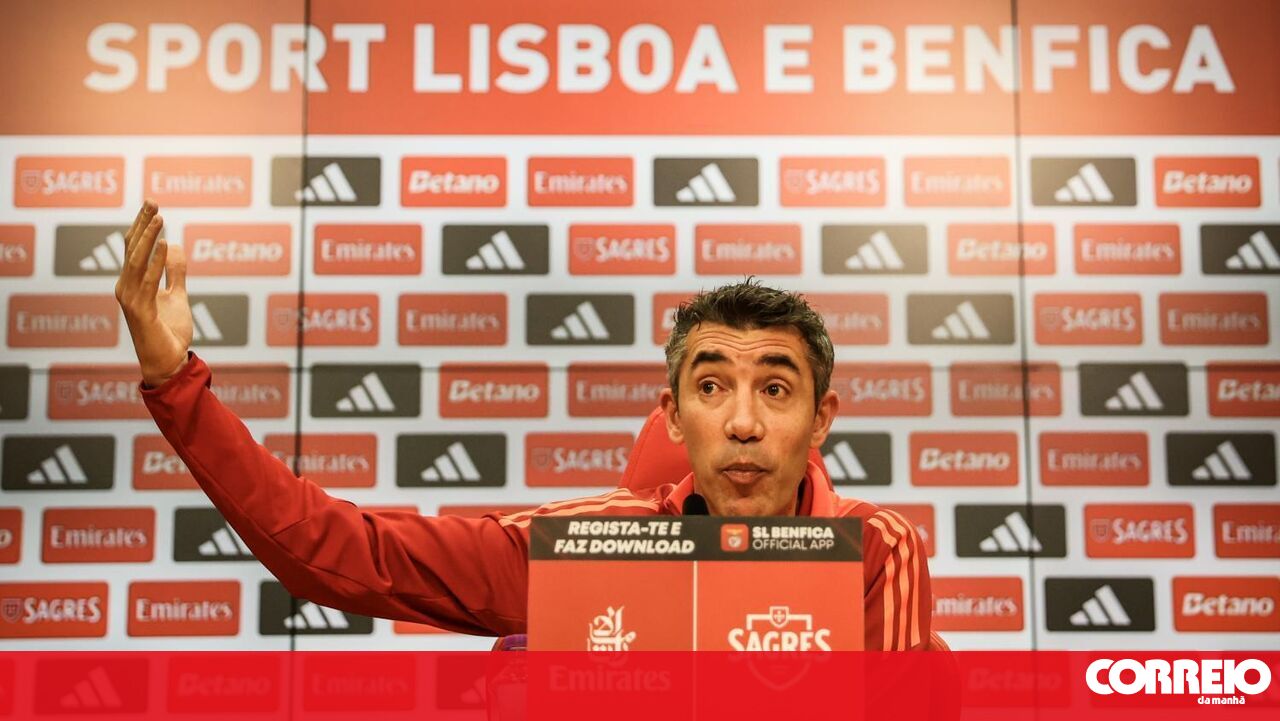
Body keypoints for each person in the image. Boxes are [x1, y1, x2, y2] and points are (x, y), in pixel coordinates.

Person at [115, 200, 932, 650]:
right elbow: (340, 551)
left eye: (776, 389)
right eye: (712, 386)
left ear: (820, 418)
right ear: (673, 416)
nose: (744, 422)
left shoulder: (876, 548)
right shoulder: (595, 544)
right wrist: (176, 385)